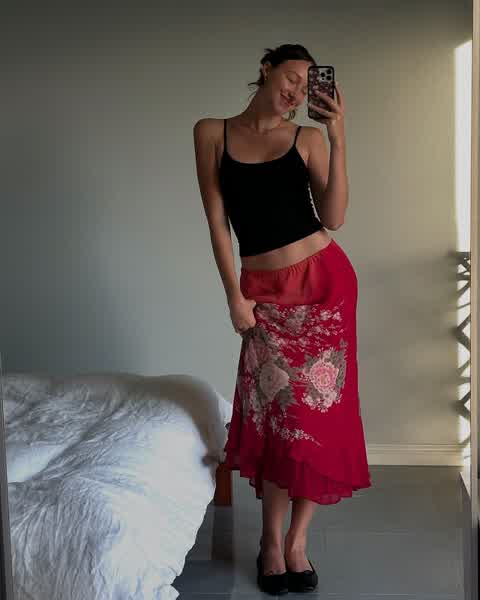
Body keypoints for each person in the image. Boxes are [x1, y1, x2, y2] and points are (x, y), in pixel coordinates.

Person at [193, 43, 371, 595]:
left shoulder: (308, 138)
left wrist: (338, 136)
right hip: (263, 295)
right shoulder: (212, 133)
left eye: (306, 84)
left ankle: (297, 542)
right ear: (266, 69)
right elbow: (218, 223)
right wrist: (234, 296)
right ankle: (270, 542)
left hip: (325, 288)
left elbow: (334, 217)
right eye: (291, 77)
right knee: (279, 419)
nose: (296, 91)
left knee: (318, 418)